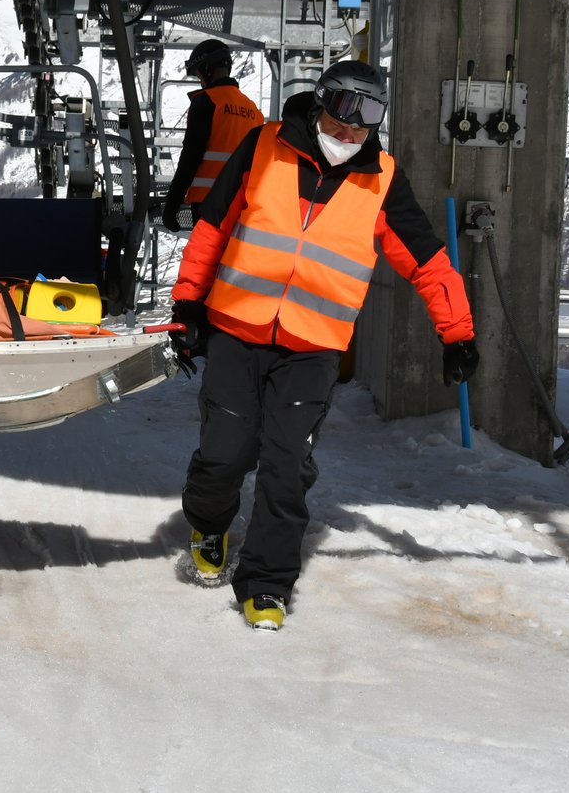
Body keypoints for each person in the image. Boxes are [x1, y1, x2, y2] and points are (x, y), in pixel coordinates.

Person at [166, 59, 479, 630]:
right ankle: (210, 523)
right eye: (344, 113)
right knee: (226, 451)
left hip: (313, 348)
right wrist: (187, 303)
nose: (352, 130)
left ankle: (265, 583)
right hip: (237, 327)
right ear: (321, 103)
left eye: (370, 117)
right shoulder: (264, 147)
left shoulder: (381, 179)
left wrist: (457, 333)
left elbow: (428, 261)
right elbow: (214, 224)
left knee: (288, 465)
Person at [162, 39, 261, 233]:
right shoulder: (253, 110)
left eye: (199, 73)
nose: (200, 80)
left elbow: (191, 157)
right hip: (241, 203)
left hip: (207, 202)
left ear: (207, 69)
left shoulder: (208, 102)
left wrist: (172, 204)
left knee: (206, 259)